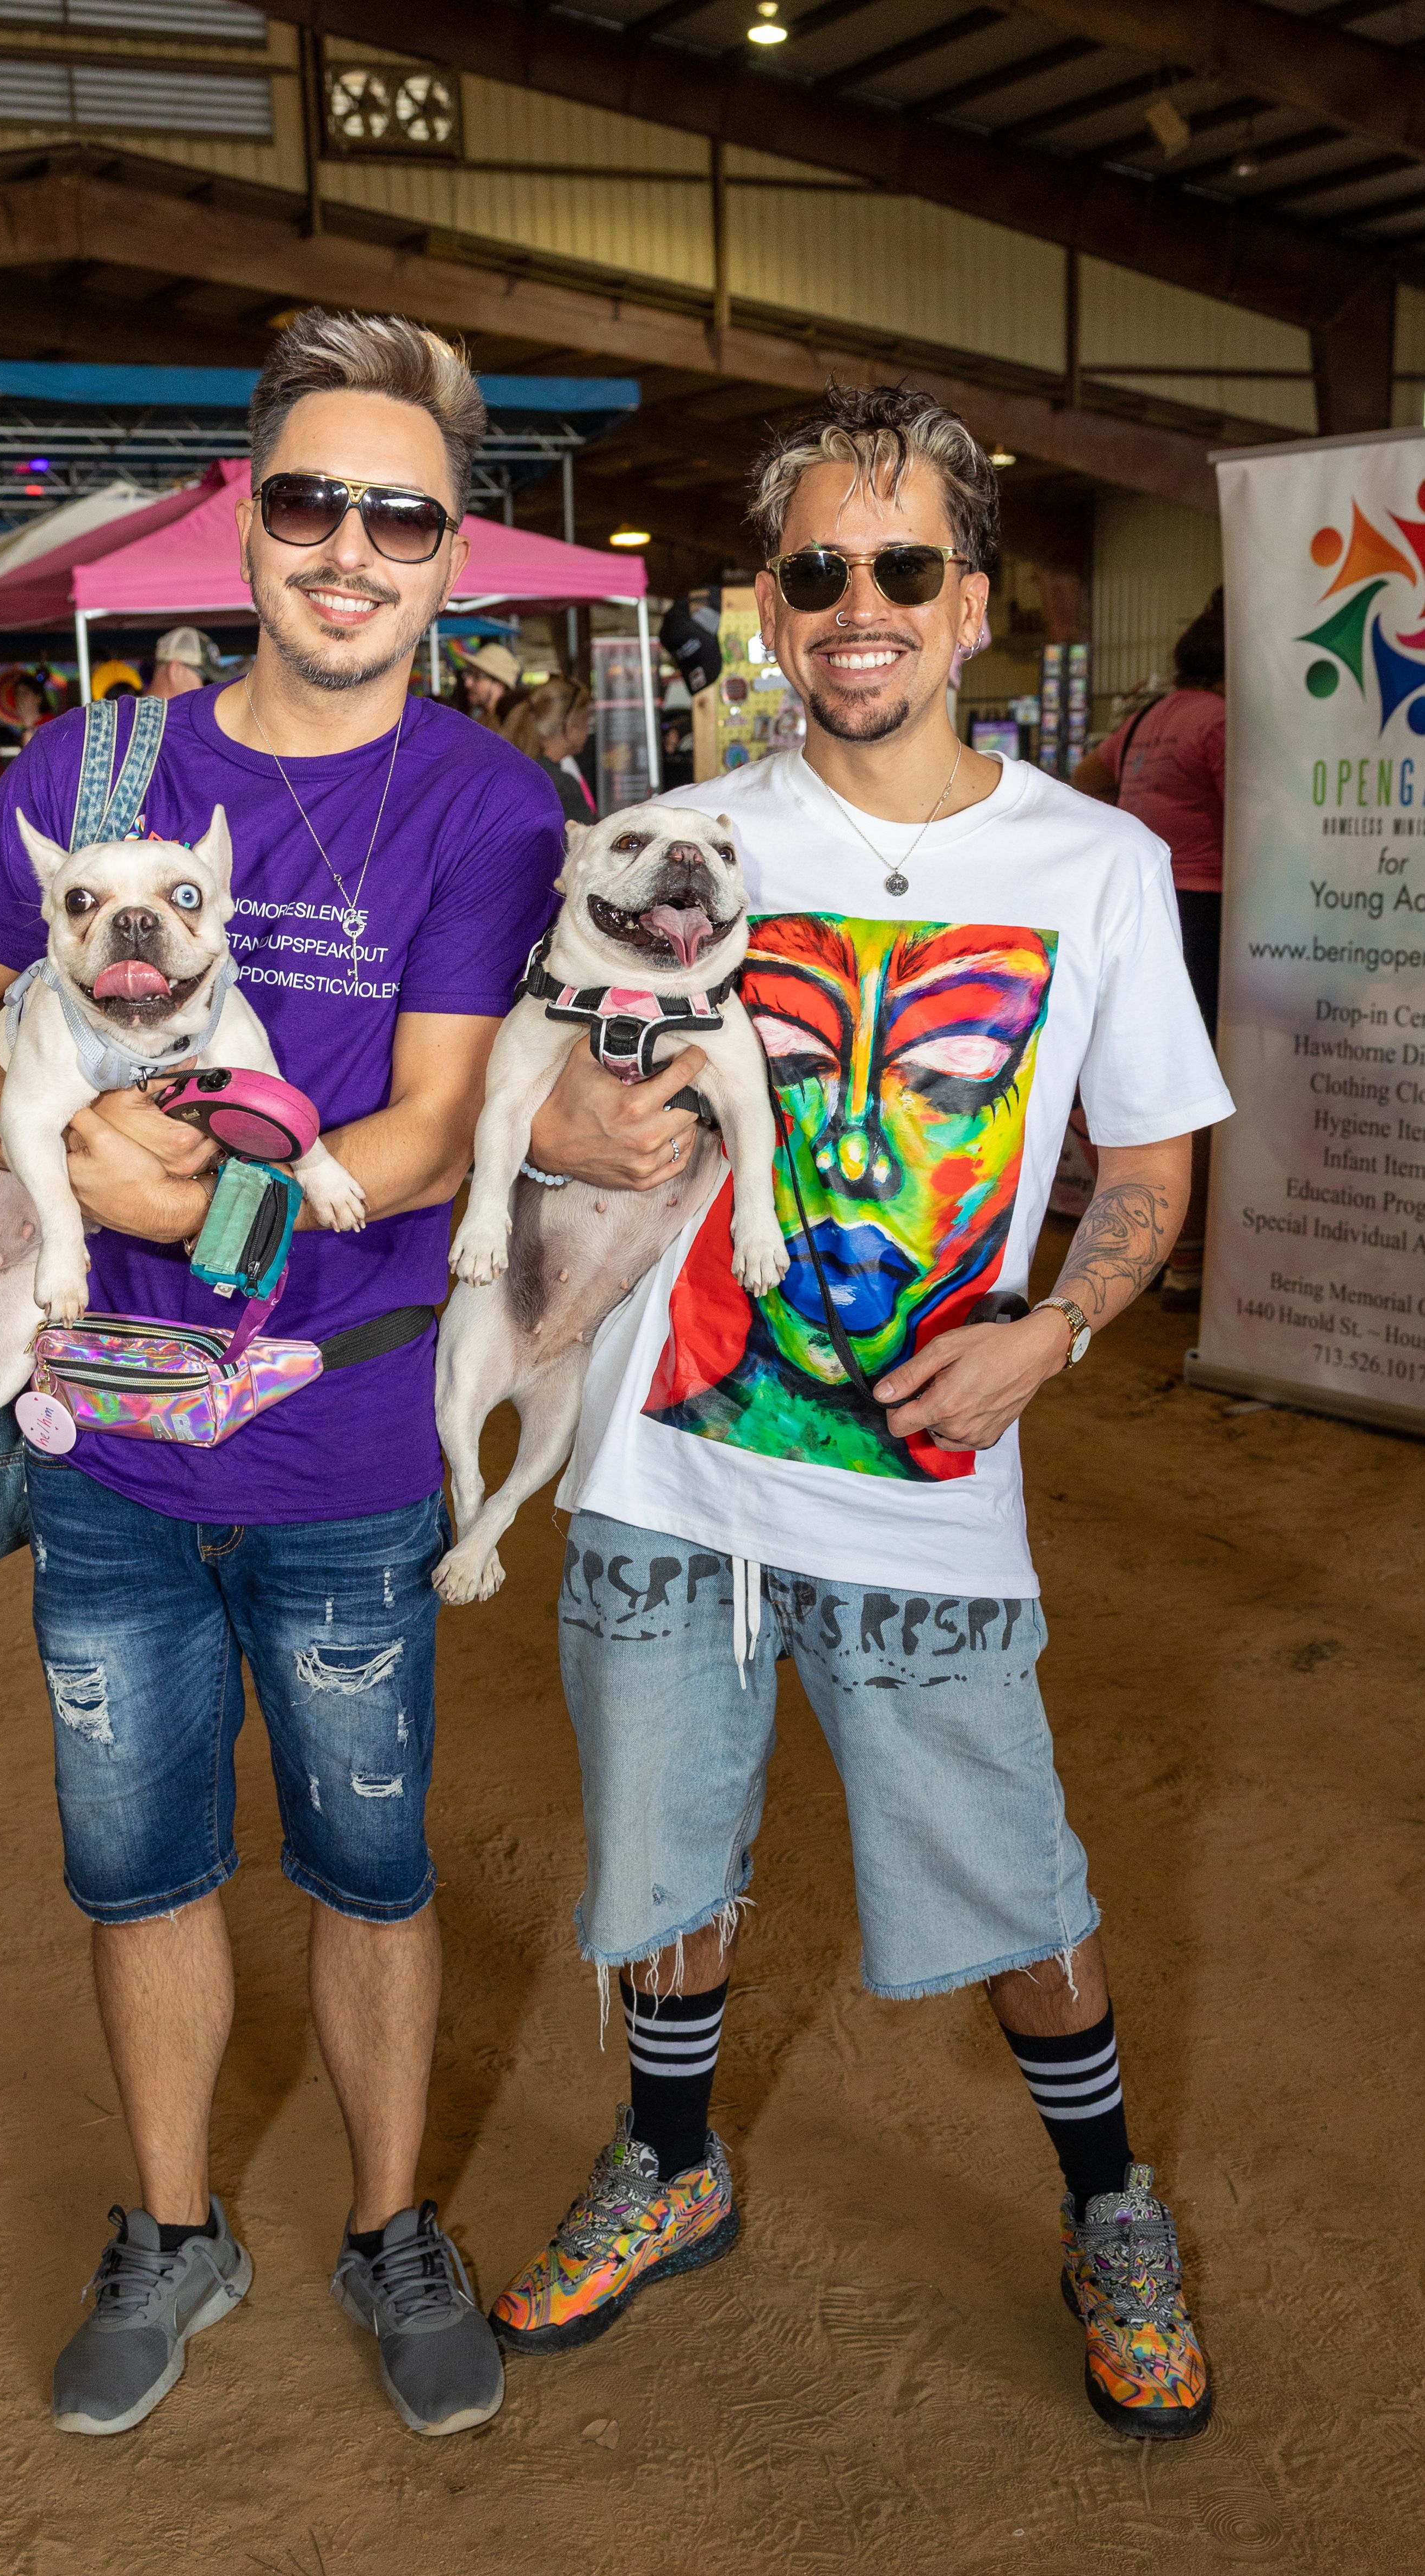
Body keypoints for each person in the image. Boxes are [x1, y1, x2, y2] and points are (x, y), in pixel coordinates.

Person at [0, 307, 563, 2443]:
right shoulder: (101, 771)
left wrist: (182, 1213)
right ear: (250, 518)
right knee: (138, 1858)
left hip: (343, 1442)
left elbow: (430, 1135)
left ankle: (383, 2219)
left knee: (371, 1865)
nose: (356, 548)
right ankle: (174, 2223)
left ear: (456, 553)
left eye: (405, 516)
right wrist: (46, 1143)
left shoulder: (488, 798)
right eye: (319, 501)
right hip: (109, 1455)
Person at [497, 384, 1233, 2443]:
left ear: (974, 600)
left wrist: (1051, 1335)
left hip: (927, 1494)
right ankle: (672, 2157)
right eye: (818, 569)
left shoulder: (1084, 863)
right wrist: (560, 1121)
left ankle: (1109, 2210)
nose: (859, 606)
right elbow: (540, 1088)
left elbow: (1154, 1167)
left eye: (904, 567)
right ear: (765, 603)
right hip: (671, 1462)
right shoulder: (690, 837)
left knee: (1018, 1884)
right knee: (664, 1858)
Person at [1073, 591, 1225, 1309]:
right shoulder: (1221, 723)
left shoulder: (1142, 724)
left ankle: (1173, 1257)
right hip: (1208, 913)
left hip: (1155, 904)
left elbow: (1083, 784)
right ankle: (1191, 1261)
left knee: (1143, 1094)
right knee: (1187, 1097)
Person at [504, 675, 596, 823]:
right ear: (570, 729)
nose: (588, 731)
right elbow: (582, 845)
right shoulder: (563, 786)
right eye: (587, 721)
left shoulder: (516, 769)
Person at [456, 640, 523, 730]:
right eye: (469, 674)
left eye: (477, 677)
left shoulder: (513, 727)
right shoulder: (482, 721)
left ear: (500, 684)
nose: (468, 683)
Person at [145, 626, 220, 699]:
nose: (211, 691)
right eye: (207, 683)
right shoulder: (134, 712)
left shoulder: (135, 710)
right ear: (176, 671)